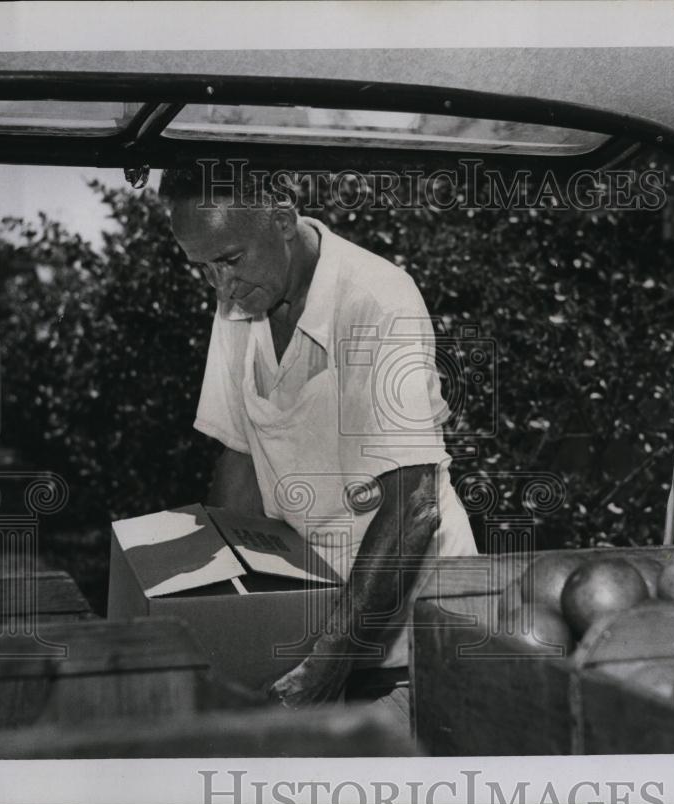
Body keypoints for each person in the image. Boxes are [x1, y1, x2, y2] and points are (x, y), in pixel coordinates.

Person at [159, 164, 477, 722]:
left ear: (283, 217)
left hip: (414, 633)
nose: (221, 286)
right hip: (313, 613)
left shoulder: (376, 300)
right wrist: (212, 608)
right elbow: (241, 460)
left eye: (230, 260)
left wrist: (329, 662)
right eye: (203, 268)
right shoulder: (240, 300)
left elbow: (414, 505)